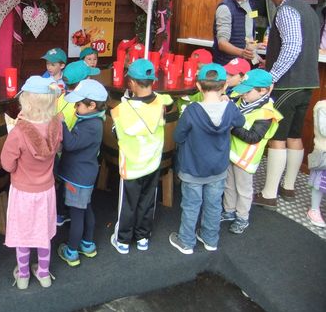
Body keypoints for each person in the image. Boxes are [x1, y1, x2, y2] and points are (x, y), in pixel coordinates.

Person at [254, 0, 321, 209]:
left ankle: (269, 194)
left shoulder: (286, 10)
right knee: (294, 136)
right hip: (308, 83)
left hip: (287, 85)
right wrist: (269, 62)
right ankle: (289, 188)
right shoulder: (311, 13)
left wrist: (271, 76)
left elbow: (292, 47)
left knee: (277, 138)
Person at [169, 64, 245, 254]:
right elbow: (240, 122)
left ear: (198, 86)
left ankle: (186, 241)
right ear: (225, 85)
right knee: (213, 205)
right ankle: (210, 239)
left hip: (192, 169)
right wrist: (227, 103)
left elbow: (178, 137)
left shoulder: (191, 111)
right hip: (218, 169)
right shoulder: (230, 108)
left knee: (191, 205)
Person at [1, 76, 63, 290]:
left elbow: (7, 164)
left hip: (22, 192)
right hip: (46, 191)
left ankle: (24, 276)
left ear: (26, 102)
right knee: (43, 233)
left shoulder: (18, 133)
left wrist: (18, 126)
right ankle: (44, 274)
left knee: (24, 234)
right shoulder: (57, 126)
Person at [110, 59, 173, 254]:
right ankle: (143, 237)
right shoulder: (163, 102)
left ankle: (122, 240)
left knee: (127, 203)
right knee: (147, 201)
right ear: (152, 81)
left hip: (131, 165)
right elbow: (165, 103)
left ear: (132, 83)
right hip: (153, 164)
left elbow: (115, 133)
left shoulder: (121, 110)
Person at [222, 69, 282, 234]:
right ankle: (229, 210)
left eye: (247, 92)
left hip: (246, 160)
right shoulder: (241, 102)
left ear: (262, 91)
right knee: (229, 185)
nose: (243, 95)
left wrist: (232, 127)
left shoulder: (266, 113)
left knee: (243, 190)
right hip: (231, 153)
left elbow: (253, 137)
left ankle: (242, 217)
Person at [55, 79, 107, 266]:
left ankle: (71, 252)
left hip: (77, 178)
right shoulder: (93, 119)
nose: (75, 107)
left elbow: (71, 143)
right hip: (85, 176)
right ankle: (87, 244)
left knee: (77, 215)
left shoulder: (91, 126)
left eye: (78, 104)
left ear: (92, 105)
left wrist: (61, 123)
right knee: (86, 209)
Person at [56, 60, 100, 227]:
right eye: (89, 77)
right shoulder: (80, 106)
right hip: (81, 159)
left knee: (63, 184)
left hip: (63, 153)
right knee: (81, 201)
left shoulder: (61, 98)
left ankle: (61, 213)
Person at [212, 0, 256, 65]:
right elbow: (222, 44)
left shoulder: (251, 2)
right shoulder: (225, 8)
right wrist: (242, 53)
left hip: (246, 62)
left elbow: (250, 32)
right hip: (227, 64)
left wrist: (255, 56)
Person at [307, 100, 326, 227]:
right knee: (319, 184)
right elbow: (323, 130)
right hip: (323, 152)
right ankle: (314, 209)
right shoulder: (322, 106)